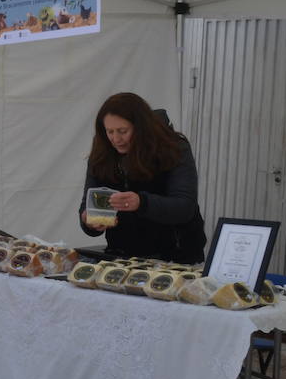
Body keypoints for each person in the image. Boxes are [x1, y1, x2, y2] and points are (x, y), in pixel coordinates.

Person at [79, 92, 206, 263]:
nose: (116, 139)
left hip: (175, 256)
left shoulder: (174, 148)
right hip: (121, 255)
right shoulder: (102, 148)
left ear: (141, 127)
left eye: (123, 131)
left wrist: (142, 203)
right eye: (110, 131)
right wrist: (89, 221)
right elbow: (88, 202)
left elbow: (184, 207)